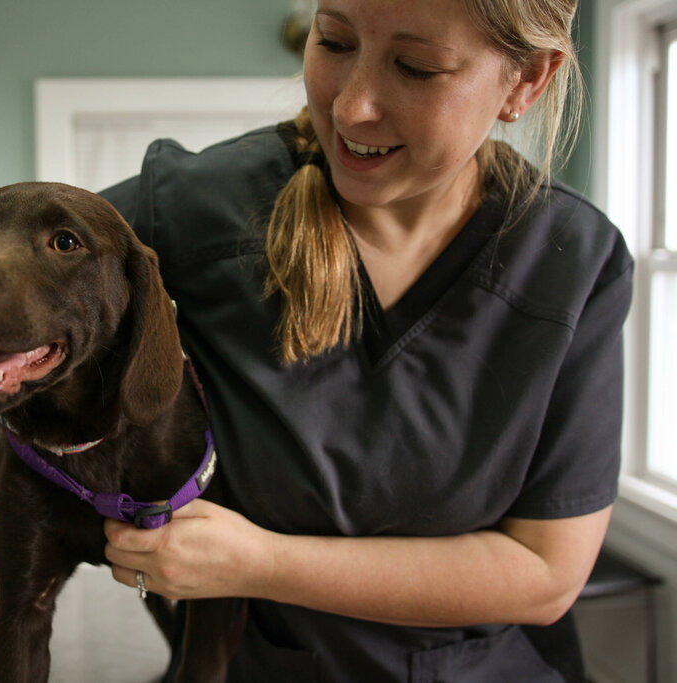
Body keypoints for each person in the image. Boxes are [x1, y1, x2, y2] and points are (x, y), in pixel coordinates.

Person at [100, 0, 633, 680]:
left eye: (417, 68)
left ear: (527, 81)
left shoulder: (570, 261)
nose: (351, 108)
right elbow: (13, 282)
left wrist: (259, 562)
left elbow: (544, 572)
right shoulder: (194, 210)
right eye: (334, 41)